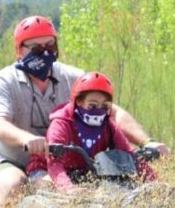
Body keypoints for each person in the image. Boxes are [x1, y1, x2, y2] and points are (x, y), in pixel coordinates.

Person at [0, 15, 169, 208]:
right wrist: (27, 139)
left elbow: (113, 112)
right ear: (20, 49)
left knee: (107, 192)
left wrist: (148, 142)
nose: (44, 51)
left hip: (67, 161)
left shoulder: (72, 77)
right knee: (14, 186)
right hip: (12, 160)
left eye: (49, 44)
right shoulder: (3, 81)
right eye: (35, 47)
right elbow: (0, 126)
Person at [26, 71, 156, 192]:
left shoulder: (108, 125)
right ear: (79, 101)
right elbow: (54, 162)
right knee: (50, 187)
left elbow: (131, 156)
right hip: (47, 170)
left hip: (84, 172)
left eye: (104, 106)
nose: (98, 110)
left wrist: (155, 183)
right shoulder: (61, 123)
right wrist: (68, 189)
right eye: (92, 105)